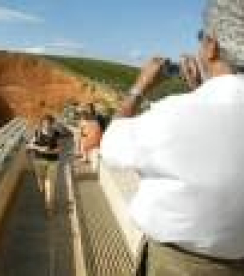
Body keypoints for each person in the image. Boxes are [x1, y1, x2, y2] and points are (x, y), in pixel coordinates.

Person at [100, 0, 244, 275]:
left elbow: (110, 146)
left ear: (212, 46)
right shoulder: (187, 108)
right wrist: (201, 91)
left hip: (182, 265)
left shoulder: (173, 112)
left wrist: (141, 86)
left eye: (201, 37)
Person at [28, 115, 61, 217]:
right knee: (41, 183)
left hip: (53, 162)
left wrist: (50, 151)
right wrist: (39, 148)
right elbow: (29, 145)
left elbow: (59, 149)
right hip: (39, 161)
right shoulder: (37, 133)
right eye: (44, 123)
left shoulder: (56, 133)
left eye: (49, 123)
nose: (47, 125)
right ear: (42, 124)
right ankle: (42, 188)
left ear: (52, 124)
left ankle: (49, 208)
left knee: (50, 185)